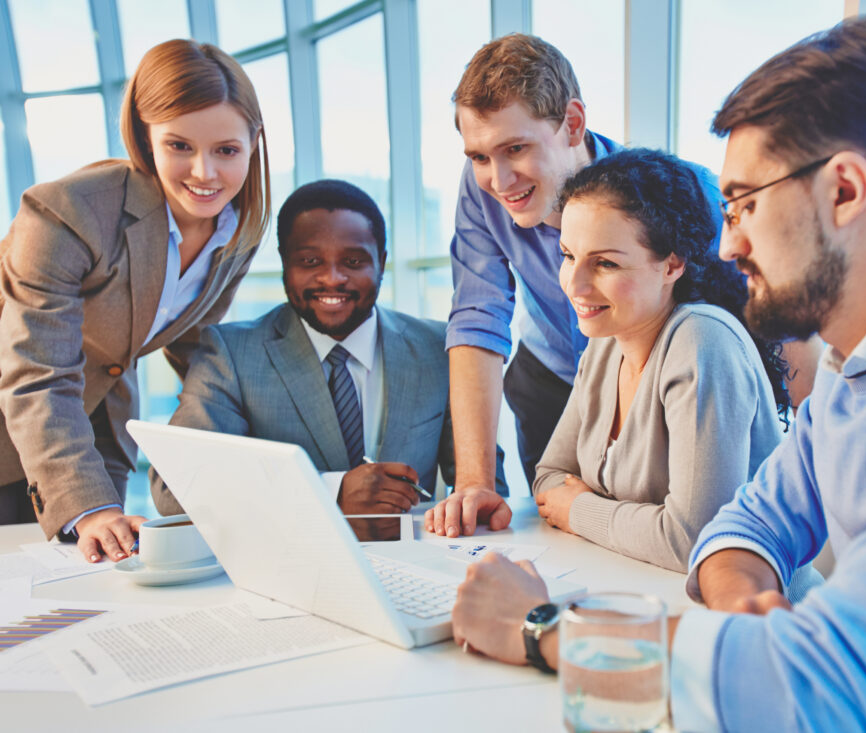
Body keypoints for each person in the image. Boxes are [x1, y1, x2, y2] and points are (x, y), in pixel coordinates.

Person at [450, 16, 866, 732]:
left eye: (744, 205)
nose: (727, 245)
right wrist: (758, 639)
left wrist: (546, 625)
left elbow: (836, 685)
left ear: (845, 191)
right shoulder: (858, 370)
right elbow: (742, 529)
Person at [427, 33, 728, 539]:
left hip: (656, 383)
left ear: (572, 124)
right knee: (564, 529)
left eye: (515, 148)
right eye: (478, 156)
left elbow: (752, 318)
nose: (498, 180)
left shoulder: (674, 195)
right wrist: (474, 483)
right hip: (549, 378)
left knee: (653, 529)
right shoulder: (481, 187)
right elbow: (478, 318)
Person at [0, 40, 271, 564]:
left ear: (253, 143)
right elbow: (37, 372)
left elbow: (197, 351)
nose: (205, 173)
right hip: (25, 424)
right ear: (145, 139)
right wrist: (91, 505)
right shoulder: (66, 213)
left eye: (226, 150)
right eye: (180, 146)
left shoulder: (239, 228)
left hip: (96, 424)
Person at [150, 180, 507, 517]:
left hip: (415, 566)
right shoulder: (231, 355)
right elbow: (172, 490)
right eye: (310, 261)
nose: (332, 278)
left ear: (381, 262)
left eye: (353, 262)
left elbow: (487, 493)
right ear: (285, 264)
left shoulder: (441, 350)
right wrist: (329, 492)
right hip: (288, 572)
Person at [531, 148, 792, 573]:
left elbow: (694, 538)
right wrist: (611, 518)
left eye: (606, 263)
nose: (575, 284)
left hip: (757, 619)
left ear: (672, 264)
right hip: (645, 593)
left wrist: (580, 509)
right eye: (568, 256)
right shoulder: (607, 340)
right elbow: (549, 480)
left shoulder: (702, 341)